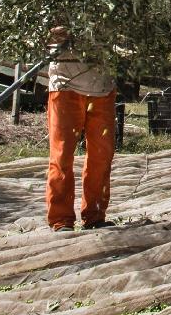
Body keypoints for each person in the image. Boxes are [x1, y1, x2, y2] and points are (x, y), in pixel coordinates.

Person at [43, 26, 118, 232]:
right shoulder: (55, 9)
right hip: (65, 85)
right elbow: (40, 35)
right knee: (62, 154)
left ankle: (95, 216)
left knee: (101, 156)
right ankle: (61, 219)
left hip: (102, 86)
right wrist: (60, 32)